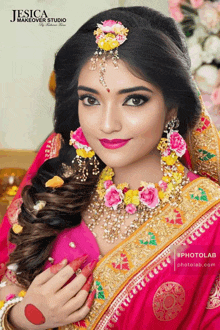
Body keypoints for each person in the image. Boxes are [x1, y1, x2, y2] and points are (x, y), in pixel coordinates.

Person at [1, 5, 220, 330]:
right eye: (90, 99)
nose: (106, 124)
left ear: (171, 108)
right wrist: (23, 317)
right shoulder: (63, 173)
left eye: (134, 100)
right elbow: (9, 273)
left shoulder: (210, 217)